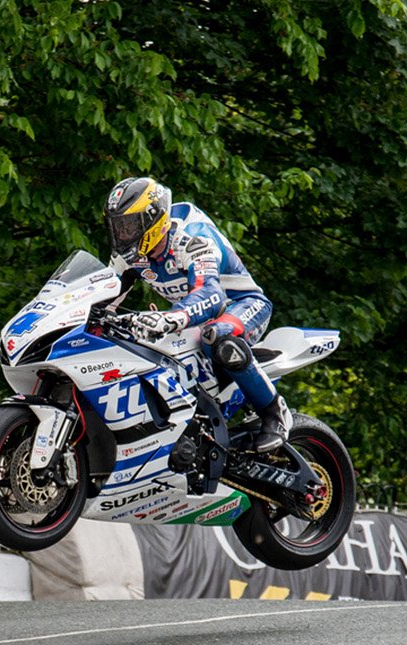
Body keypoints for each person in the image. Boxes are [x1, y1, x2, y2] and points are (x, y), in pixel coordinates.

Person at [103, 176, 291, 452]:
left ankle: (274, 412)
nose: (123, 235)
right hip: (191, 314)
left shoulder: (191, 238)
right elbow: (104, 297)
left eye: (130, 226)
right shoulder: (129, 255)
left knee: (216, 337)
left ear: (153, 219)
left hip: (240, 304)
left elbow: (211, 294)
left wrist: (170, 318)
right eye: (118, 227)